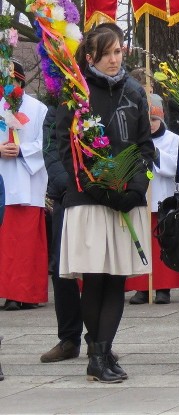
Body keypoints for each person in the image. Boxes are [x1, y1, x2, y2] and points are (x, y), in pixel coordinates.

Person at [57, 26, 154, 383]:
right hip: (90, 198)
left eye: (118, 52)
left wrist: (135, 187)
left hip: (126, 198)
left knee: (116, 280)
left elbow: (146, 145)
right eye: (107, 54)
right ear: (91, 57)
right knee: (95, 278)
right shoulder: (76, 92)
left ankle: (101, 353)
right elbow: (65, 146)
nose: (115, 60)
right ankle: (97, 355)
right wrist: (96, 187)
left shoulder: (134, 90)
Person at [126, 94, 179, 305]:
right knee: (142, 244)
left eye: (154, 120)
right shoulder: (134, 139)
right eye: (146, 121)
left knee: (162, 245)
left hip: (163, 198)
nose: (150, 125)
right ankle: (142, 287)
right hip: (141, 199)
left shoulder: (173, 140)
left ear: (161, 119)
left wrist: (156, 155)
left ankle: (163, 288)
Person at [0, 60, 49, 311]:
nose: (10, 88)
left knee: (25, 244)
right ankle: (7, 291)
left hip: (28, 183)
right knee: (5, 245)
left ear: (20, 81)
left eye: (13, 83)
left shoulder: (38, 109)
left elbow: (47, 145)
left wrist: (22, 150)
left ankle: (24, 294)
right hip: (3, 181)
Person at [40, 101, 85, 362]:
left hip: (95, 194)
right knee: (61, 268)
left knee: (96, 269)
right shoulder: (55, 108)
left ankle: (99, 339)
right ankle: (69, 338)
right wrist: (69, 186)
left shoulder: (96, 101)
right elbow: (50, 150)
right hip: (66, 196)